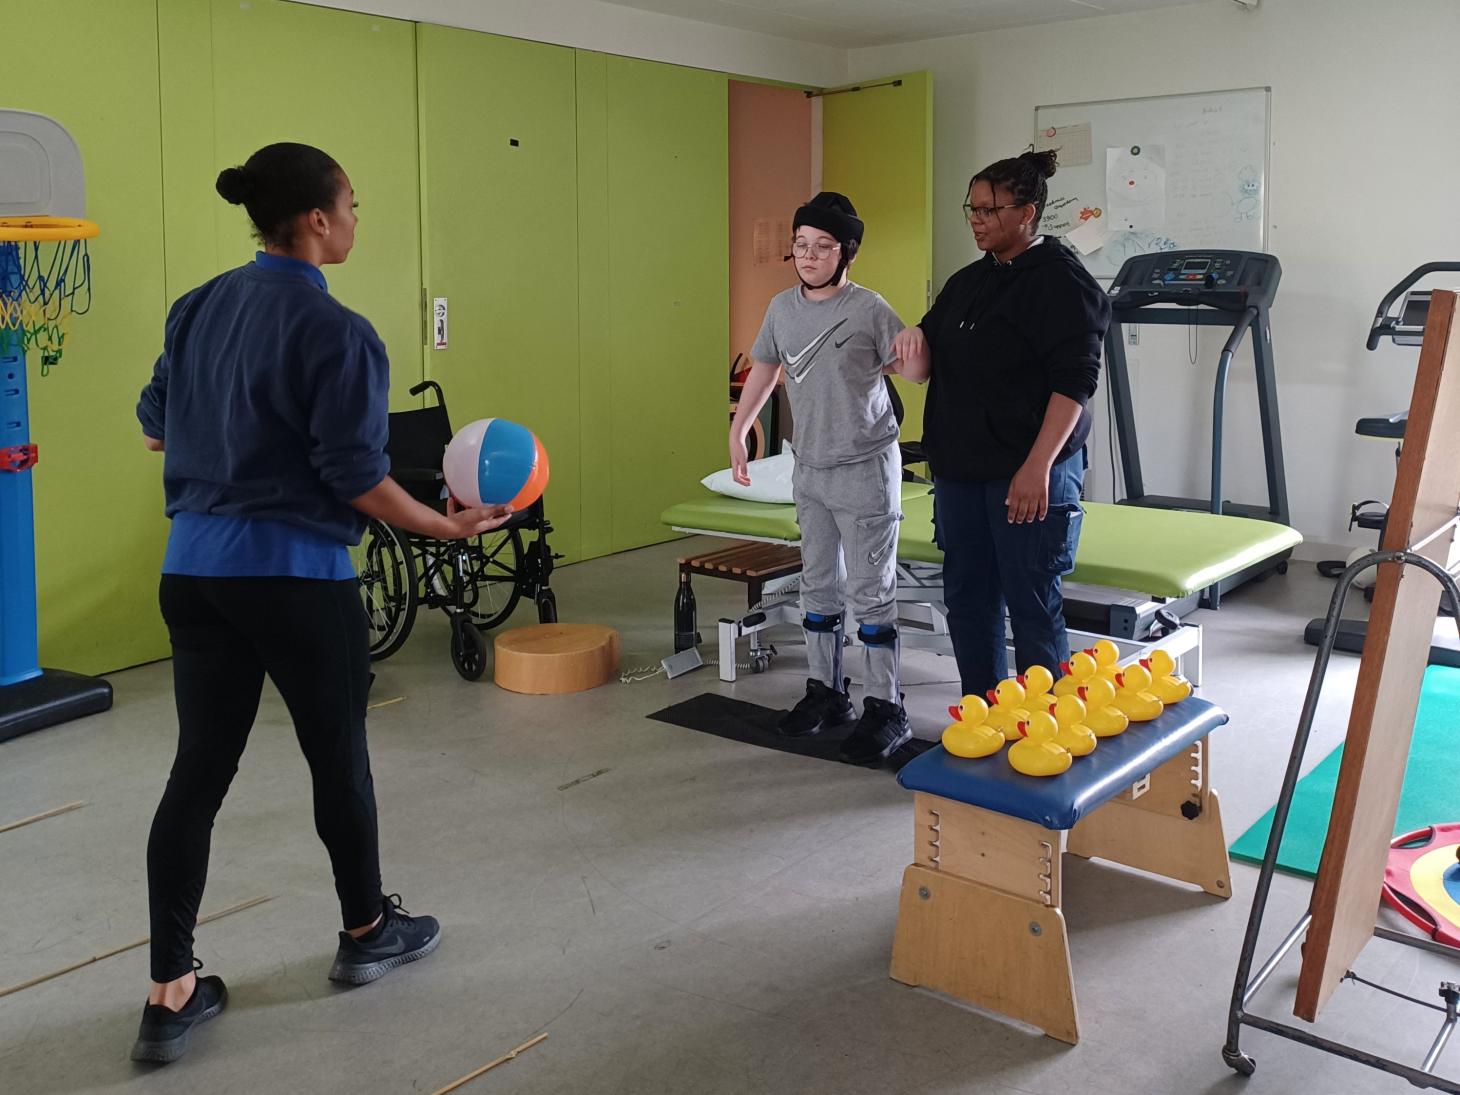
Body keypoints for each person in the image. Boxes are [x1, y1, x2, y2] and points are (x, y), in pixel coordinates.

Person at [131, 142, 512, 1063]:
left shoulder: (197, 308)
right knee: (337, 757)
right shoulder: (340, 332)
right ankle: (364, 931)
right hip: (297, 579)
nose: (354, 219)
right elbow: (355, 478)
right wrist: (443, 526)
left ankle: (170, 989)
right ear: (315, 220)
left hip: (194, 575)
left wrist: (225, 439)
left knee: (197, 772)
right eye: (351, 205)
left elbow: (154, 425)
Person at [893, 149, 1111, 698]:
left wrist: (1037, 468)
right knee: (968, 601)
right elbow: (927, 359)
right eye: (972, 207)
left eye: (991, 209)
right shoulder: (967, 282)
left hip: (1029, 471)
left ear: (1028, 212)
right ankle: (985, 716)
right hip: (962, 471)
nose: (977, 219)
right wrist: (898, 347)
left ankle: (1049, 728)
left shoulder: (1063, 283)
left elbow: (1075, 384)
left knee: (1033, 604)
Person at [730, 192, 927, 765]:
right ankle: (826, 692)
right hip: (809, 469)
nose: (809, 256)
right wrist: (739, 429)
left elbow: (912, 371)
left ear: (848, 253)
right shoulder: (780, 309)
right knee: (817, 585)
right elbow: (766, 370)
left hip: (864, 469)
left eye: (822, 247)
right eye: (800, 246)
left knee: (872, 593)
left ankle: (886, 706)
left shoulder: (869, 308)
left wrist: (915, 349)